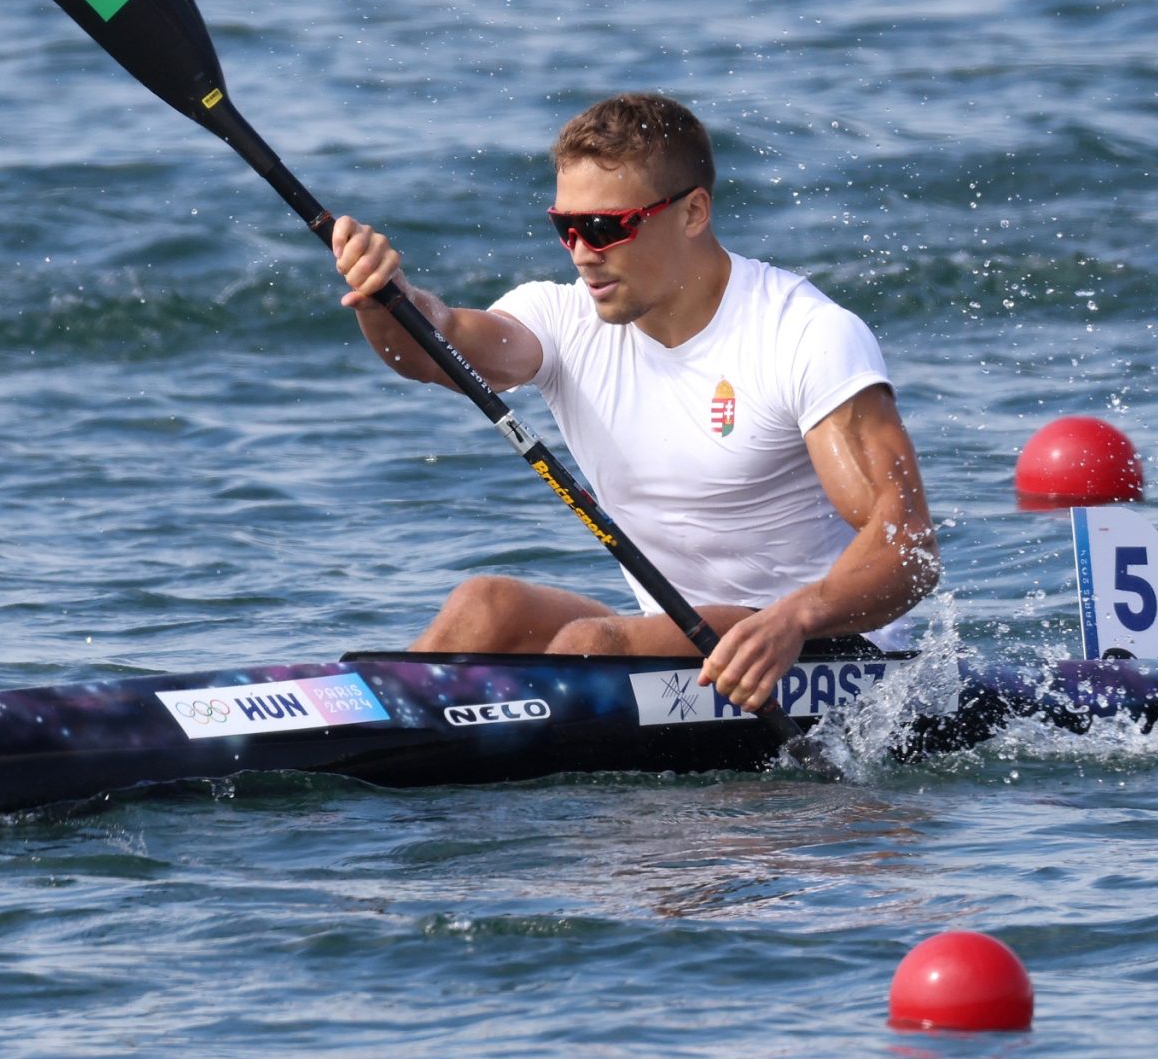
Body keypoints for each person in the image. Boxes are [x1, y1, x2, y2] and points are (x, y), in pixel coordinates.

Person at [329, 92, 936, 717]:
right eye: (565, 227)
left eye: (605, 227)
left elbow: (907, 549)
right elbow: (437, 347)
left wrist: (794, 618)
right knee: (485, 604)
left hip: (821, 651)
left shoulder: (804, 335)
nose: (582, 253)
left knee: (591, 646)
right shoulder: (565, 318)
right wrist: (387, 299)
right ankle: (359, 730)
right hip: (676, 640)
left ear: (694, 211)